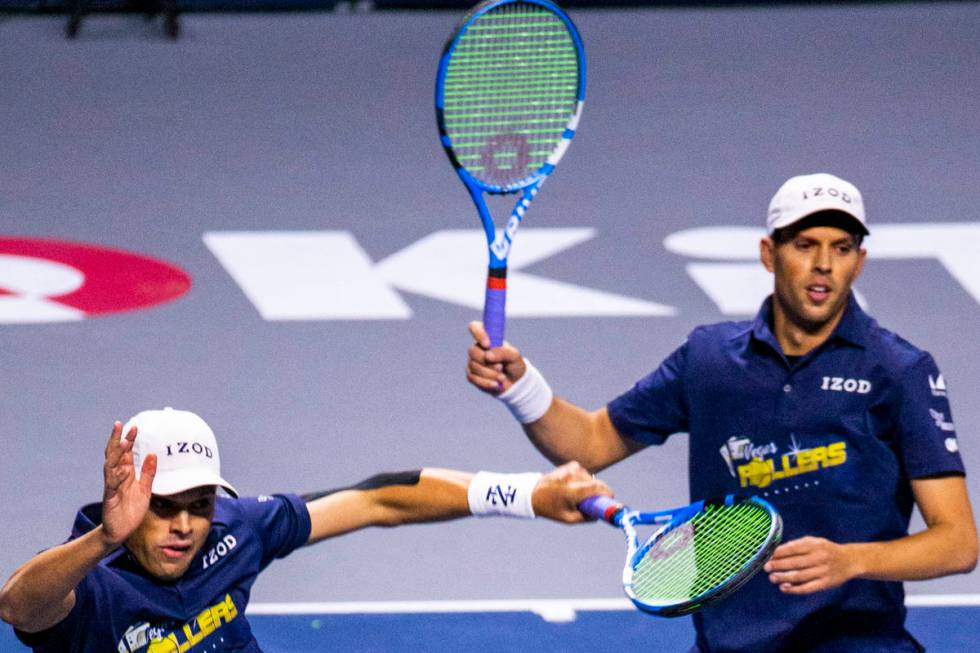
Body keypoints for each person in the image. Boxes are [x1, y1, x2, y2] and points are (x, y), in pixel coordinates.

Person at [465, 172, 978, 653]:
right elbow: (591, 443)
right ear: (768, 254)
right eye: (805, 246)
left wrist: (853, 560)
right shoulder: (709, 360)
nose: (824, 264)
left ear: (858, 262)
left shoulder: (899, 371)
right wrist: (522, 388)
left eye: (841, 249)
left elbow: (957, 543)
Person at [0, 407, 611, 652]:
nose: (185, 526)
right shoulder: (96, 588)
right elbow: (19, 606)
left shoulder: (234, 533)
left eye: (200, 502)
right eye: (162, 507)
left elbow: (378, 500)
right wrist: (104, 539)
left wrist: (527, 494)